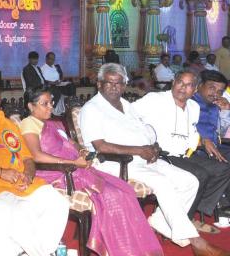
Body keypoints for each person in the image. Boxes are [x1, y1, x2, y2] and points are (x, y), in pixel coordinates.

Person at [78, 63, 224, 254]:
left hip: (144, 158)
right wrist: (139, 150)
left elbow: (145, 129)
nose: (115, 87)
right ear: (99, 84)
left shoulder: (127, 106)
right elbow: (100, 146)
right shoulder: (93, 108)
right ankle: (195, 241)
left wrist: (153, 146)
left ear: (124, 85)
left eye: (119, 83)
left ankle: (160, 222)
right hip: (115, 162)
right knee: (163, 183)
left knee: (189, 181)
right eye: (109, 82)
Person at [19, 87, 163, 256]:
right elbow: (36, 156)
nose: (50, 107)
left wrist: (81, 152)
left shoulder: (54, 123)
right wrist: (73, 162)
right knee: (111, 195)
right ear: (30, 106)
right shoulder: (29, 123)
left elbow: (72, 143)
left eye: (51, 102)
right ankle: (119, 249)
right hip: (57, 172)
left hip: (77, 168)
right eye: (44, 104)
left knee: (124, 191)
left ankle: (130, 246)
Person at [0, 80, 69, 256]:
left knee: (59, 203)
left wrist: (28, 175)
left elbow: (28, 157)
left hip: (21, 184)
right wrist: (1, 172)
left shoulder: (8, 123)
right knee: (18, 216)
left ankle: (38, 251)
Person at [131, 70, 230, 233]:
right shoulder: (155, 99)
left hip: (185, 154)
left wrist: (203, 140)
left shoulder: (193, 107)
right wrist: (142, 140)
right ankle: (185, 220)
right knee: (201, 175)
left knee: (222, 169)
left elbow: (191, 133)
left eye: (189, 85)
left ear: (195, 88)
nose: (183, 88)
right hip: (162, 154)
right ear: (173, 82)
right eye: (180, 83)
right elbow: (128, 114)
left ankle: (189, 211)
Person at [195, 70, 230, 161]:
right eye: (212, 88)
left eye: (220, 91)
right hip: (195, 151)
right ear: (200, 85)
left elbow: (220, 133)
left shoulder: (215, 106)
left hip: (216, 148)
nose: (215, 94)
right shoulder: (188, 103)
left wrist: (225, 110)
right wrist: (202, 141)